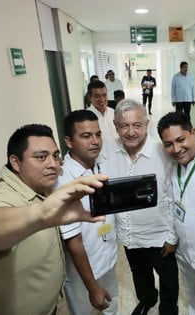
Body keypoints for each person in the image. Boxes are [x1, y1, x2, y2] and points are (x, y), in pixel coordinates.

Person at [0, 124, 107, 315]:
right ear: (16, 163)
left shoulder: (42, 188)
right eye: (41, 157)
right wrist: (40, 215)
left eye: (55, 156)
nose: (53, 164)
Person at [106, 99, 179, 315]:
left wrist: (172, 236)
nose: (130, 132)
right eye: (124, 126)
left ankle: (168, 308)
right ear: (115, 126)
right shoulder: (108, 151)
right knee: (139, 273)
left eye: (137, 125)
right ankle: (147, 299)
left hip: (159, 234)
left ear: (147, 124)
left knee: (168, 277)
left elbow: (174, 197)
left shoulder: (162, 153)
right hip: (129, 233)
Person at [57, 110, 118, 315]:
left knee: (112, 305)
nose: (95, 141)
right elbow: (73, 241)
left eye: (98, 134)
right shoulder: (63, 181)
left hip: (107, 255)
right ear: (69, 141)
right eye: (86, 136)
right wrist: (92, 287)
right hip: (82, 269)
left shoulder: (102, 164)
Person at [157, 112, 195, 315]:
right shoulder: (172, 166)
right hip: (186, 253)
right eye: (168, 144)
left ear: (193, 132)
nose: (176, 149)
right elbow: (171, 204)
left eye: (180, 140)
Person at [86, 80, 117, 147]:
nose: (102, 100)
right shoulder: (86, 118)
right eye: (97, 96)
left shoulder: (113, 113)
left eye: (104, 95)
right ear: (90, 97)